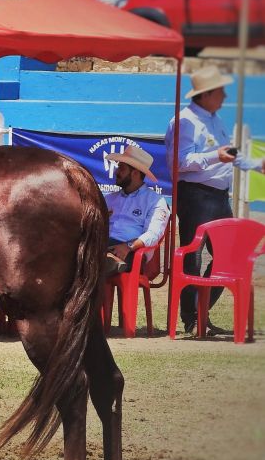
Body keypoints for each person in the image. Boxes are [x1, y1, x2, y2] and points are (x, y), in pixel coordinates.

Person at [165, 67, 265, 335]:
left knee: (228, 256)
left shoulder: (214, 119)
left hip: (218, 195)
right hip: (197, 194)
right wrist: (213, 157)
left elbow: (229, 153)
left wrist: (257, 165)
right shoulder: (184, 121)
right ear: (206, 94)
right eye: (220, 90)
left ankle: (200, 313)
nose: (225, 95)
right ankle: (192, 318)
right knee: (193, 257)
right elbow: (178, 162)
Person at [103, 145, 170, 275]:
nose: (116, 171)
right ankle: (104, 260)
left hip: (133, 251)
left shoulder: (155, 201)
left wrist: (128, 246)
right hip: (104, 244)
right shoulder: (109, 199)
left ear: (135, 173)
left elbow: (153, 234)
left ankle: (103, 261)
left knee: (91, 262)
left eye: (121, 168)